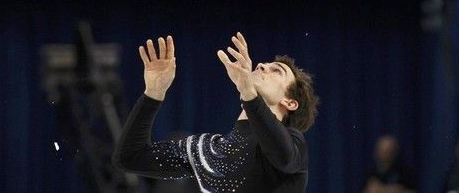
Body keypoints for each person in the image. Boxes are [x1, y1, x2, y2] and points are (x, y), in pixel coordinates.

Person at [112, 33, 318, 192]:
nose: (262, 65)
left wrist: (248, 92)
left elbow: (282, 154)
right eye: (266, 64)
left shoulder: (294, 143)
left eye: (277, 71)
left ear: (290, 103)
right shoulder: (210, 151)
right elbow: (130, 158)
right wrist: (153, 94)